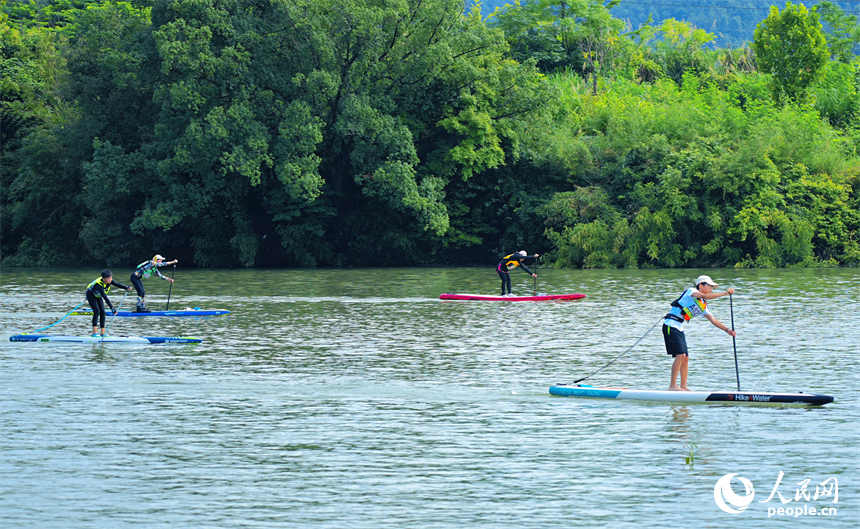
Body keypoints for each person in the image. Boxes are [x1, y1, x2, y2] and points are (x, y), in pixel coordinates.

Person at [663, 275, 737, 391]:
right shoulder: (691, 291)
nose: (712, 288)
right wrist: (724, 294)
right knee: (680, 355)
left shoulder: (702, 304)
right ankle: (672, 386)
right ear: (701, 285)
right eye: (710, 286)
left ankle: (683, 387)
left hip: (679, 327)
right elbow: (704, 295)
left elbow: (713, 320)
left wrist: (728, 330)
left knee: (686, 358)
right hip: (670, 325)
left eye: (713, 287)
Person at [86, 269, 131, 337]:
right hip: (91, 295)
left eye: (111, 278)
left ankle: (103, 333)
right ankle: (95, 333)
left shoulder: (110, 280)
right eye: (108, 278)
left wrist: (126, 287)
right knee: (97, 311)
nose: (110, 280)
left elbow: (117, 284)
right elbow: (105, 298)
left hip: (97, 295)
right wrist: (112, 308)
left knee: (103, 312)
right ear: (104, 279)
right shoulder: (99, 285)